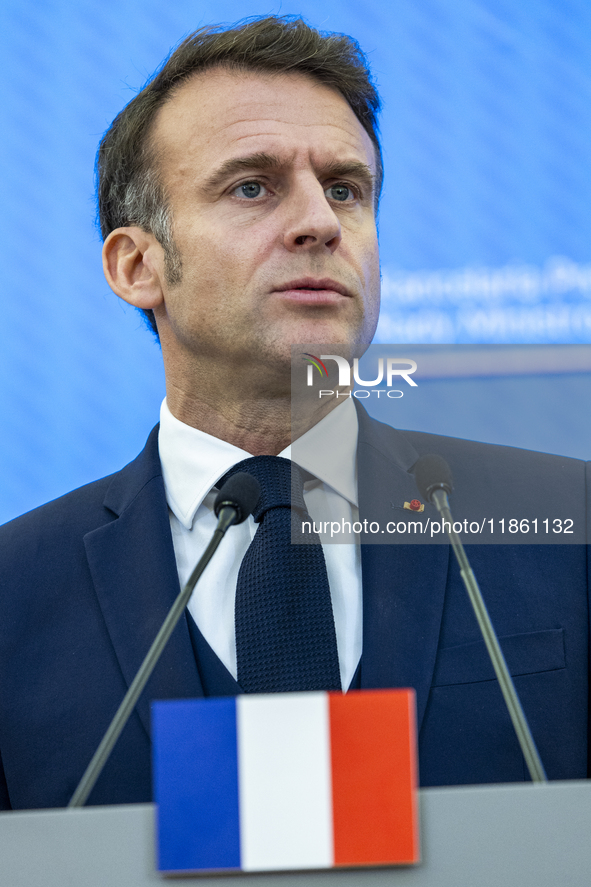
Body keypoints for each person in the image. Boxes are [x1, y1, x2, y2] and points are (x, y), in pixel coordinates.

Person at [0, 16, 588, 811]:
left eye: (345, 189)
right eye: (252, 185)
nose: (320, 223)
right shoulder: (15, 589)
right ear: (138, 265)